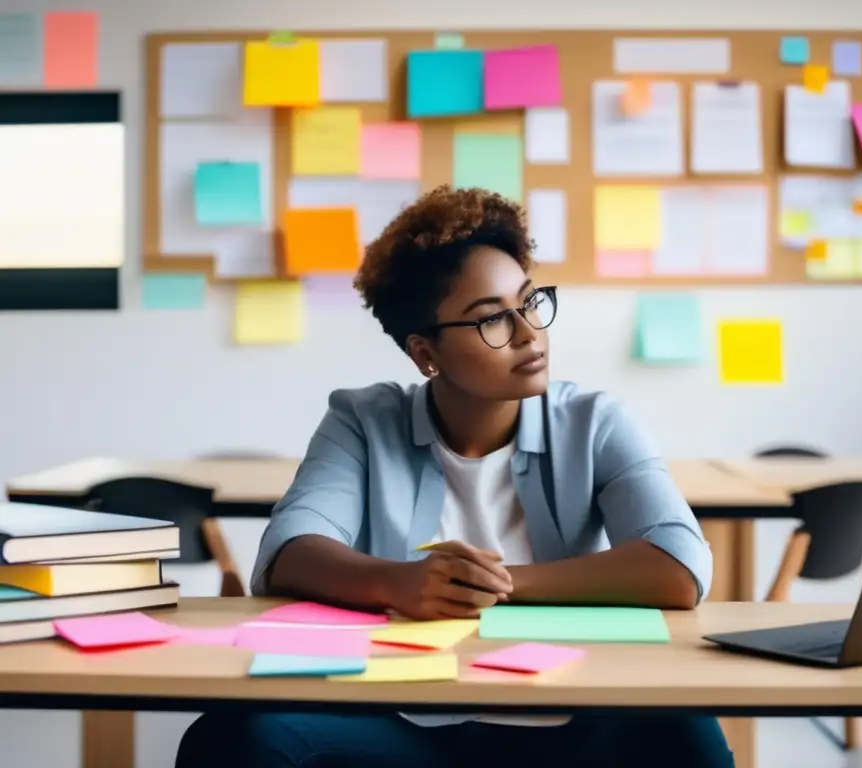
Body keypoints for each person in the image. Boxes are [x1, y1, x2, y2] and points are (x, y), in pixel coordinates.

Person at [175, 185, 733, 768]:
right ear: (424, 353)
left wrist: (499, 586)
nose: (527, 332)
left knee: (685, 731)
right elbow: (288, 553)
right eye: (491, 318)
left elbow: (679, 565)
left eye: (529, 301)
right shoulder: (364, 420)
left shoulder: (595, 421)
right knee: (231, 737)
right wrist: (400, 583)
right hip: (401, 723)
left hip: (568, 719)